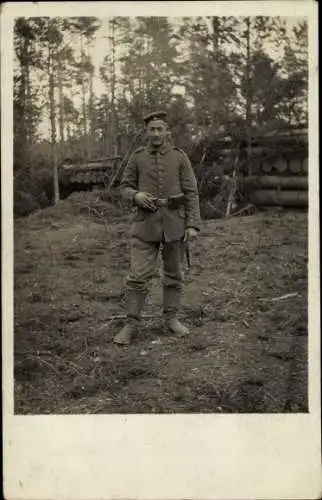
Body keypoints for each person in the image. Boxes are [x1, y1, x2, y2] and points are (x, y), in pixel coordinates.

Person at [113, 111, 201, 345]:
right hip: (145, 225)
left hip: (175, 224)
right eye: (152, 129)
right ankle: (131, 324)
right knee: (138, 277)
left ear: (167, 131)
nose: (156, 133)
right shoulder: (137, 157)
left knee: (174, 275)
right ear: (147, 132)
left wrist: (192, 224)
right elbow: (124, 187)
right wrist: (136, 195)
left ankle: (171, 319)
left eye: (160, 129)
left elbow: (191, 192)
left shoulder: (179, 157)